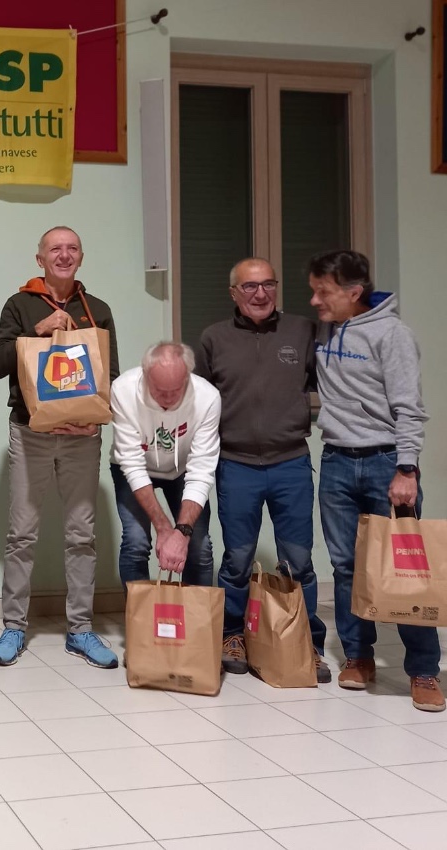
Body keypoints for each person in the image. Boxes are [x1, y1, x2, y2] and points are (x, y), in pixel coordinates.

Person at [309, 249, 443, 711]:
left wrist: (407, 468)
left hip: (387, 462)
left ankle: (424, 670)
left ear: (354, 292)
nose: (315, 300)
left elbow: (410, 407)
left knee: (407, 570)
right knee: (347, 567)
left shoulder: (392, 334)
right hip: (336, 461)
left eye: (323, 292)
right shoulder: (325, 328)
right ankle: (358, 656)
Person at [0, 225, 120, 668]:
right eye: (55, 249)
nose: (64, 255)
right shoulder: (19, 304)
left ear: (81, 257)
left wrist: (96, 419)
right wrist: (38, 330)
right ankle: (13, 626)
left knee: (82, 535)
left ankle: (80, 630)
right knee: (21, 534)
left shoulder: (97, 309)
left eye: (72, 248)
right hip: (31, 433)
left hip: (83, 437)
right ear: (40, 259)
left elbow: (110, 376)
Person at [196, 257, 329, 682]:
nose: (260, 293)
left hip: (291, 462)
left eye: (268, 284)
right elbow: (199, 400)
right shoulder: (213, 338)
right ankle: (232, 635)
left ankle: (308, 643)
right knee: (237, 559)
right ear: (233, 293)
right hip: (235, 465)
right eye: (250, 286)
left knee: (299, 560)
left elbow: (331, 383)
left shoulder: (303, 331)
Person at [111, 342, 219, 586]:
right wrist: (163, 528)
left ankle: (196, 611)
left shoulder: (208, 398)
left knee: (199, 547)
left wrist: (181, 533)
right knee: (136, 543)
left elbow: (201, 472)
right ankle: (139, 612)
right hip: (134, 468)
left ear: (188, 377)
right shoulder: (123, 390)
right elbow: (132, 465)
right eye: (160, 391)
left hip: (183, 470)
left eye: (176, 390)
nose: (168, 399)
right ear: (145, 375)